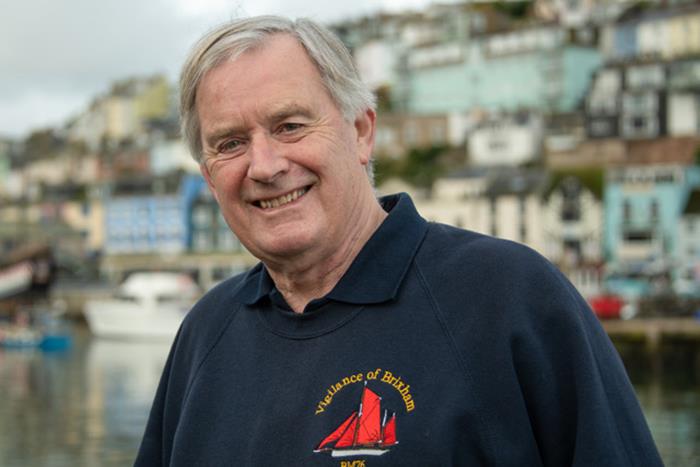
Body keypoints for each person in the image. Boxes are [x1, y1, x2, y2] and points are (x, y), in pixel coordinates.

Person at [135, 16, 662, 466]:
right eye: (230, 144)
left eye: (291, 125)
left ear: (361, 132)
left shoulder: (510, 298)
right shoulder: (205, 334)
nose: (266, 165)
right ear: (208, 178)